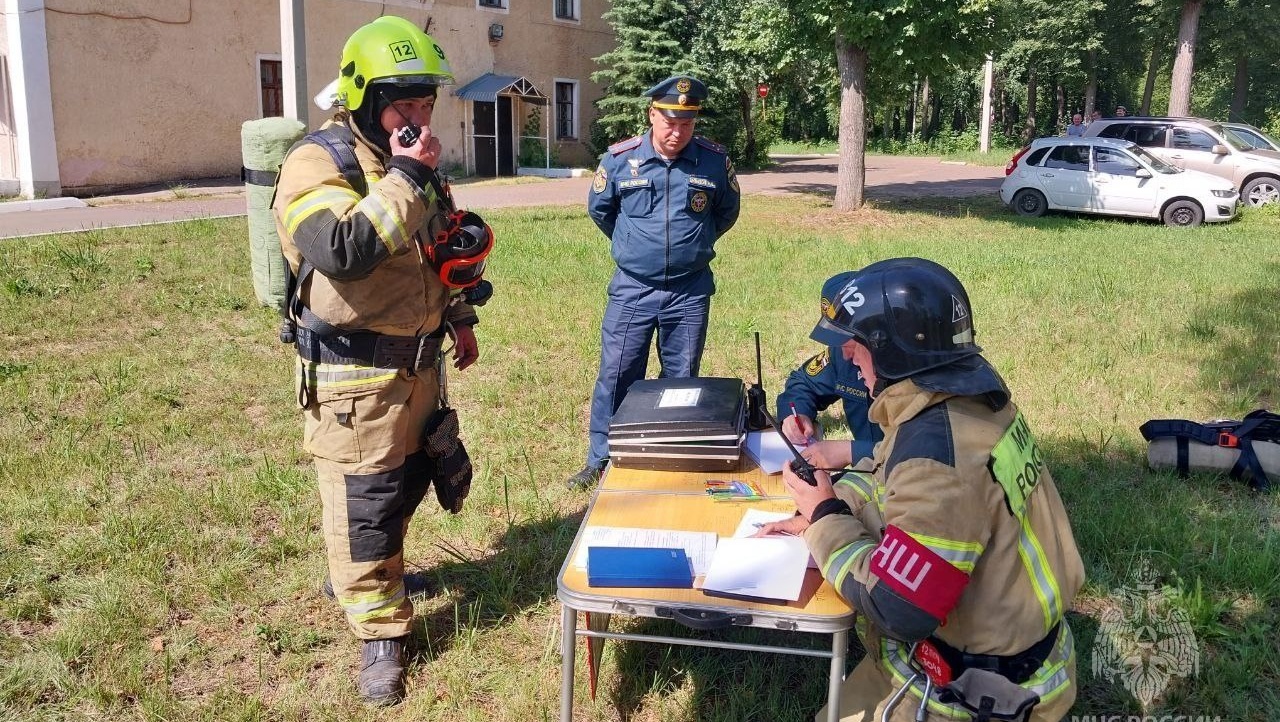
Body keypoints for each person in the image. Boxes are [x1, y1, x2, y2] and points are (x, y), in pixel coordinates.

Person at [759, 257, 1084, 721]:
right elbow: (889, 476)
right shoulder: (965, 403)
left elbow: (899, 607)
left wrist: (825, 517)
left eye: (858, 343)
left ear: (895, 350)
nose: (847, 355)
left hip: (970, 692)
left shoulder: (937, 456)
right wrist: (828, 506)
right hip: (1018, 651)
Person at [272, 16, 485, 706]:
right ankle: (381, 634)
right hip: (354, 380)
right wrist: (405, 176)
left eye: (426, 104)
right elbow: (343, 250)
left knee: (414, 477)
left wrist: (460, 315)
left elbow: (438, 247)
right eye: (404, 104)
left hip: (419, 367)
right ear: (362, 99)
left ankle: (379, 573)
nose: (417, 118)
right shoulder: (318, 163)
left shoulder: (411, 164)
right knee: (365, 508)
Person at [567, 75, 742, 489]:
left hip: (690, 289)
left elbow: (725, 213)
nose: (677, 132)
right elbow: (601, 211)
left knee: (681, 379)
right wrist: (634, 248)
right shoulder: (619, 160)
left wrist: (693, 245)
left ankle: (666, 450)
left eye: (686, 124)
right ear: (651, 115)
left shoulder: (713, 162)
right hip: (633, 287)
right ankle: (602, 458)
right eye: (669, 122)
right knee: (618, 373)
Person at [776, 271, 883, 470]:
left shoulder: (908, 370)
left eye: (849, 344)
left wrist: (851, 451)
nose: (846, 356)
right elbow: (803, 382)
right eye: (837, 340)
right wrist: (797, 415)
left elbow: (921, 453)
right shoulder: (841, 355)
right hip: (869, 474)